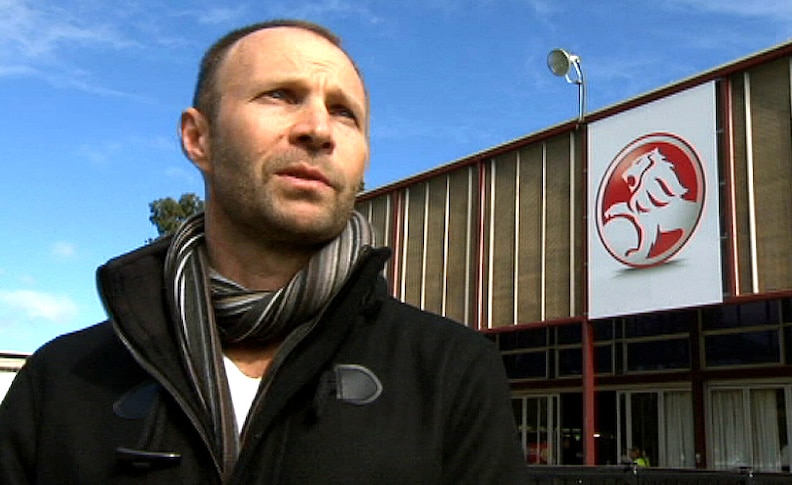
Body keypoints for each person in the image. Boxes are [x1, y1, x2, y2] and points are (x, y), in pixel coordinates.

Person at [0, 19, 528, 484]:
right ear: (197, 138)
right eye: (280, 95)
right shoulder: (63, 379)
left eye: (345, 113)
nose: (318, 129)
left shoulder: (450, 371)